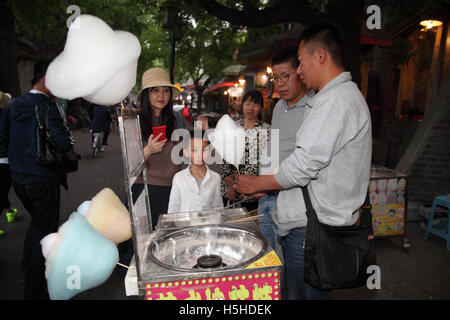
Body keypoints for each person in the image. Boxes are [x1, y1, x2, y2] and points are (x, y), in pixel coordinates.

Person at [234, 21, 372, 300]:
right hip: (304, 222)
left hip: (310, 228)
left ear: (319, 56)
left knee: (302, 294)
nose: (299, 70)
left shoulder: (335, 101)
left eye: (300, 62)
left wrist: (258, 183)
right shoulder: (334, 98)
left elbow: (302, 164)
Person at [0, 61, 75, 299]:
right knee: (44, 230)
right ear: (46, 77)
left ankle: (26, 268)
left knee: (36, 224)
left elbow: (3, 140)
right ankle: (35, 285)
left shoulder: (12, 105)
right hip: (44, 178)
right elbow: (63, 143)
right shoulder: (48, 107)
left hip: (19, 178)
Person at [257, 46, 313, 251]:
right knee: (269, 255)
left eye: (285, 76)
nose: (280, 84)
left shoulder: (314, 106)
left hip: (293, 200)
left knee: (290, 261)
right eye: (275, 78)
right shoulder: (279, 106)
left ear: (300, 73)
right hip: (267, 194)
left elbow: (304, 160)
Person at [134, 67, 185, 228]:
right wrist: (148, 150)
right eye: (155, 90)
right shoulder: (135, 122)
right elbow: (129, 164)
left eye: (165, 91)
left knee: (166, 239)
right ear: (146, 95)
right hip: (145, 189)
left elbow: (186, 151)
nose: (161, 96)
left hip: (173, 189)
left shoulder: (177, 119)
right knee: (144, 241)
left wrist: (203, 132)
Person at [221, 90, 270, 212]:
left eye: (255, 105)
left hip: (254, 192)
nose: (250, 108)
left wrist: (261, 187)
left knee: (253, 226)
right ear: (242, 106)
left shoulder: (267, 130)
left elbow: (268, 163)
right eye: (247, 104)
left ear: (261, 107)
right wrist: (230, 186)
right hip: (231, 189)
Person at [168, 128, 223, 213]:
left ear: (210, 151)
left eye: (204, 150)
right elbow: (173, 208)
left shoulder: (215, 178)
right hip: (184, 226)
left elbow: (218, 207)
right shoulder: (179, 178)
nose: (199, 155)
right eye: (194, 150)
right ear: (186, 152)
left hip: (208, 225)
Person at [0, 91, 18, 236]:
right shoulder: (8, 116)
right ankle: (8, 211)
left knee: (2, 189)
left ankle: (9, 211)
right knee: (2, 190)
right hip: (5, 159)